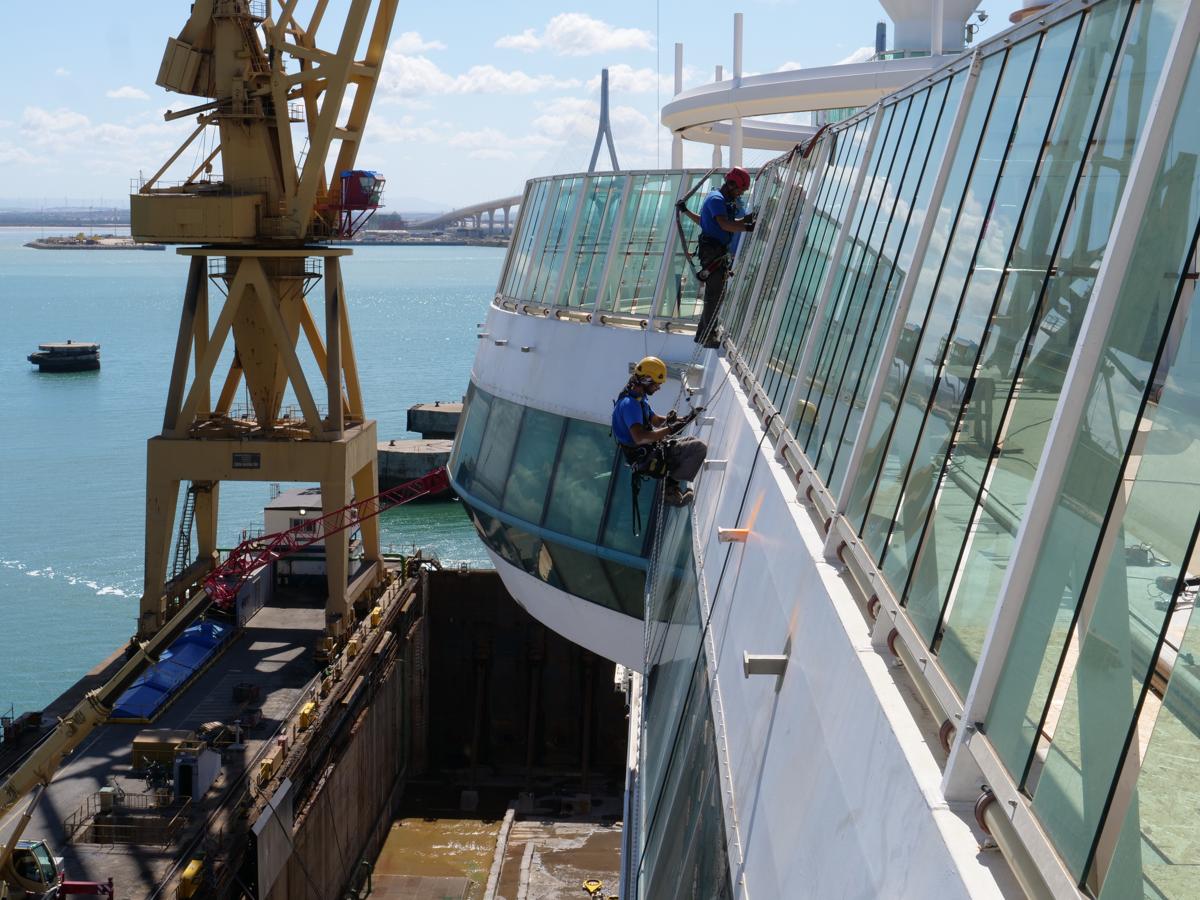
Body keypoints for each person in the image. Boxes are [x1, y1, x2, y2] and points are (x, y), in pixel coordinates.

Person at [612, 356, 707, 507]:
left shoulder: (637, 398)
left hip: (650, 450)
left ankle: (671, 486)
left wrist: (684, 419)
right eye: (657, 384)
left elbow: (655, 420)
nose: (659, 388)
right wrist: (670, 428)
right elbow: (640, 438)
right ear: (647, 380)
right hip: (647, 457)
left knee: (688, 441)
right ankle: (670, 490)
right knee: (699, 448)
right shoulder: (630, 405)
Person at [677, 166, 756, 348]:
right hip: (712, 251)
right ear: (731, 184)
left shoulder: (719, 200)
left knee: (717, 294)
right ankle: (707, 335)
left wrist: (746, 220)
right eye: (739, 190)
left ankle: (704, 333)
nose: (739, 194)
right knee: (715, 294)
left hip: (714, 250)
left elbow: (708, 221)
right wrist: (747, 227)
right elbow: (724, 225)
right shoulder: (717, 200)